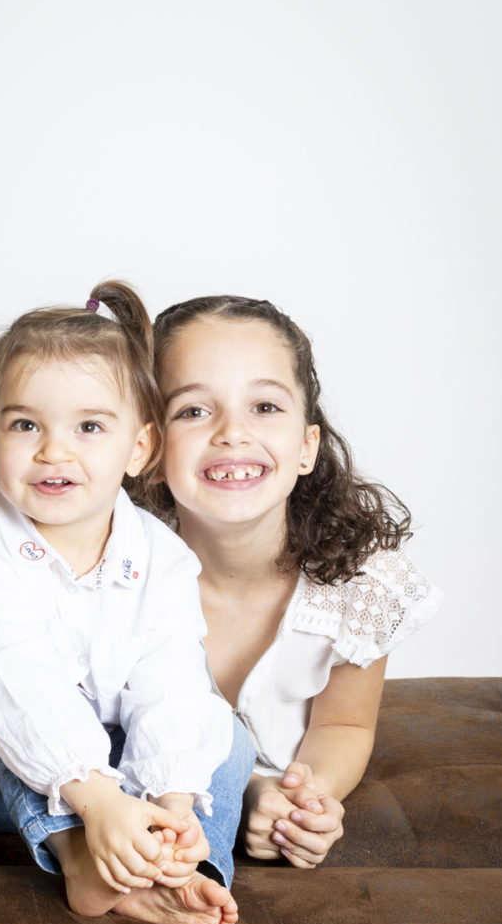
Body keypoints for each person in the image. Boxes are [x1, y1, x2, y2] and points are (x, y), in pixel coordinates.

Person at [0, 282, 255, 924]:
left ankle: (177, 873)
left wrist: (168, 801)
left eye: (88, 427)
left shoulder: (162, 558)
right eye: (26, 425)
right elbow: (12, 676)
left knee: (219, 730)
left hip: (101, 779)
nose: (54, 451)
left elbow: (169, 684)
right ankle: (77, 854)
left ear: (138, 449)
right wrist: (100, 801)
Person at [138, 294, 442, 869]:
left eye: (266, 407)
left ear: (308, 445)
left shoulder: (361, 585)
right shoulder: (117, 577)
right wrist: (249, 787)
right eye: (193, 411)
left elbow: (346, 722)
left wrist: (307, 798)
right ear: (148, 447)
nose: (232, 433)